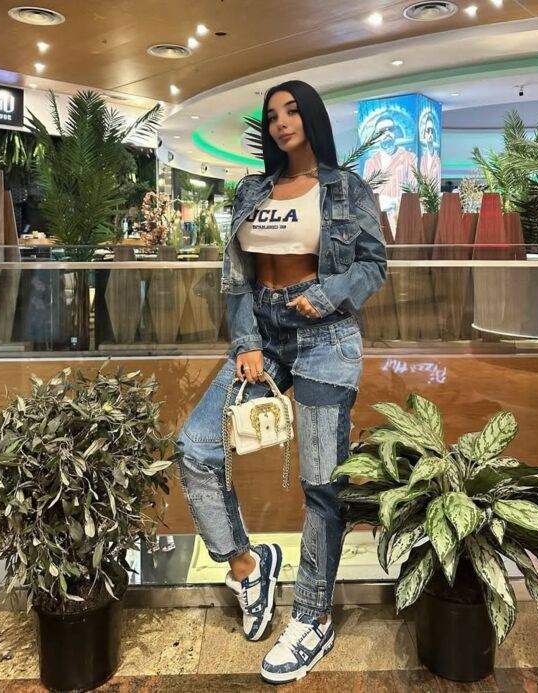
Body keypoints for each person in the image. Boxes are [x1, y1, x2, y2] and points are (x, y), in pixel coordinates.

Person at [176, 80, 387, 684]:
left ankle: (313, 616)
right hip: (263, 337)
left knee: (321, 483)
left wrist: (328, 294)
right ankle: (248, 566)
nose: (281, 122)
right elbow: (237, 275)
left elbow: (373, 264)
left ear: (311, 117)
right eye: (272, 116)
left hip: (325, 336)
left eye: (292, 111)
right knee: (196, 447)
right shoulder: (253, 189)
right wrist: (246, 342)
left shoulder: (346, 187)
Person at [362, 113, 416, 218]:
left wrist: (395, 202)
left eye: (390, 129)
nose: (387, 133)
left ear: (395, 132)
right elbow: (365, 195)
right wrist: (380, 202)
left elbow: (414, 192)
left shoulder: (409, 158)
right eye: (382, 131)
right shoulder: (370, 163)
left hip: (400, 217)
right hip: (377, 219)